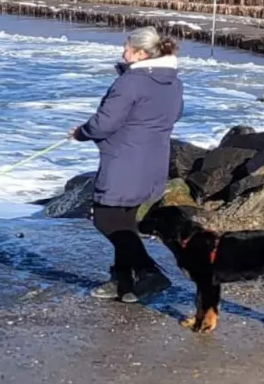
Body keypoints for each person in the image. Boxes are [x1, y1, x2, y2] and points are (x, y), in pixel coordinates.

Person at [70, 25, 184, 302]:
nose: (123, 52)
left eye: (127, 48)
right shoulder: (173, 81)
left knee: (105, 218)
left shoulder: (130, 82)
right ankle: (122, 281)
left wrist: (81, 132)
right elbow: (175, 114)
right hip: (154, 157)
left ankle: (149, 273)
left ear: (140, 53)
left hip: (124, 159)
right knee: (125, 221)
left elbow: (104, 123)